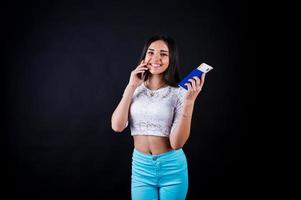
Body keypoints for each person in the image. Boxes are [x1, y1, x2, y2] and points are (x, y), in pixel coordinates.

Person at [111, 35, 206, 200]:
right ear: (144, 56)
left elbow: (177, 143)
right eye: (151, 52)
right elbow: (117, 126)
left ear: (172, 59)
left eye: (163, 54)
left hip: (172, 168)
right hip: (141, 168)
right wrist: (131, 86)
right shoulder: (135, 88)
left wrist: (189, 102)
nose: (156, 58)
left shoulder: (180, 93)